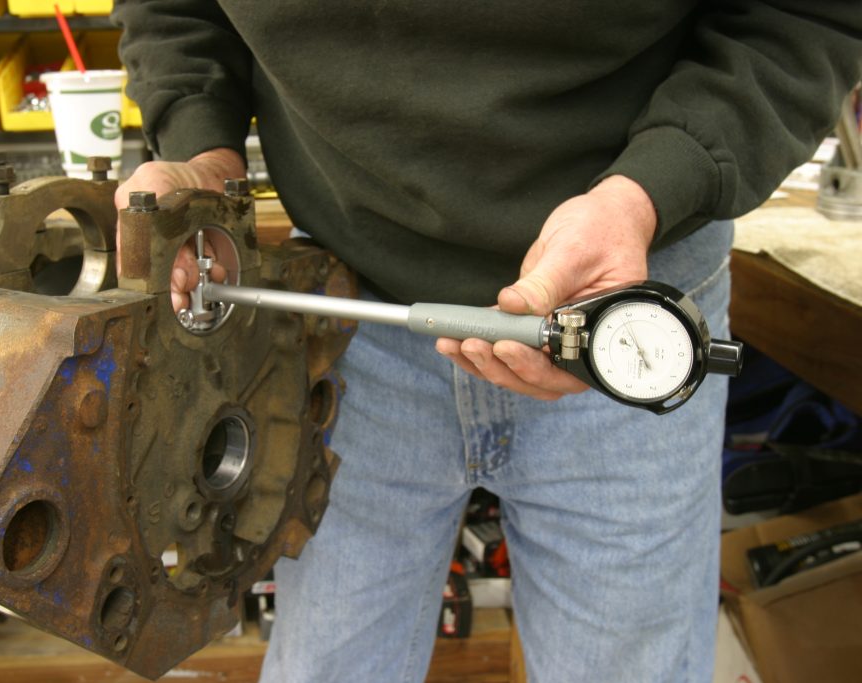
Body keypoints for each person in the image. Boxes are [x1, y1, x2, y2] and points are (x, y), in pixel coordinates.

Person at [110, 3, 861, 681]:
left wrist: (655, 187)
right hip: (348, 306)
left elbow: (804, 16)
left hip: (625, 297)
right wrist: (201, 143)